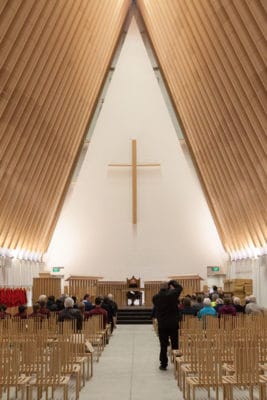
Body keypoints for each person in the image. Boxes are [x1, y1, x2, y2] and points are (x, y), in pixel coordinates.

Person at [152, 279, 183, 370]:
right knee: (175, 344)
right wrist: (172, 282)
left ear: (160, 287)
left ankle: (163, 364)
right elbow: (180, 287)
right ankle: (177, 363)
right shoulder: (173, 295)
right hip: (173, 323)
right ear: (168, 287)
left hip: (162, 324)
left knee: (163, 345)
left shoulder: (155, 297)